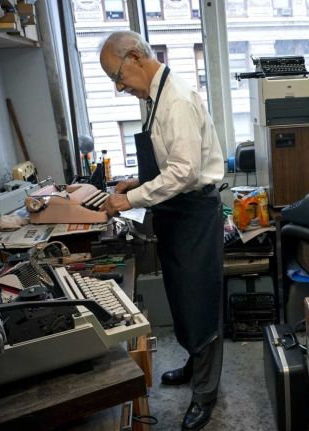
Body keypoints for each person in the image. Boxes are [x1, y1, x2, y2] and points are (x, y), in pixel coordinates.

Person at [98, 31, 225, 431]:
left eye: (118, 77)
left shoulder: (177, 100)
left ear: (135, 56)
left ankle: (206, 393)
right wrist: (136, 183)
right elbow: (169, 161)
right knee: (182, 296)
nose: (119, 88)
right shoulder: (155, 96)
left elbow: (184, 173)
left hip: (193, 213)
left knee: (200, 302)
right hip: (174, 210)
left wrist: (129, 201)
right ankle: (194, 364)